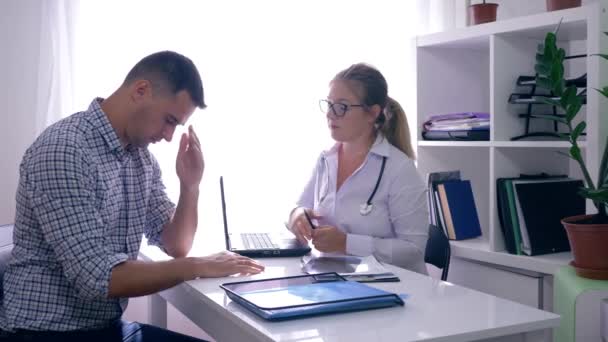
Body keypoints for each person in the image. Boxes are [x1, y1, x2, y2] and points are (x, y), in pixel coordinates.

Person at [0, 51, 264, 342]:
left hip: (105, 331)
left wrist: (190, 186)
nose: (168, 136)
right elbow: (97, 278)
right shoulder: (64, 151)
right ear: (141, 91)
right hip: (44, 334)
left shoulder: (140, 159)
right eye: (169, 120)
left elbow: (176, 245)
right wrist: (199, 266)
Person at [287, 63, 429, 274]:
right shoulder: (326, 160)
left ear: (372, 113)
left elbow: (414, 250)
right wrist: (297, 217)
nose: (330, 114)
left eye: (342, 106)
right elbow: (299, 207)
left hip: (392, 287)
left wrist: (346, 243)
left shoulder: (399, 169)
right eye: (329, 104)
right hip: (333, 281)